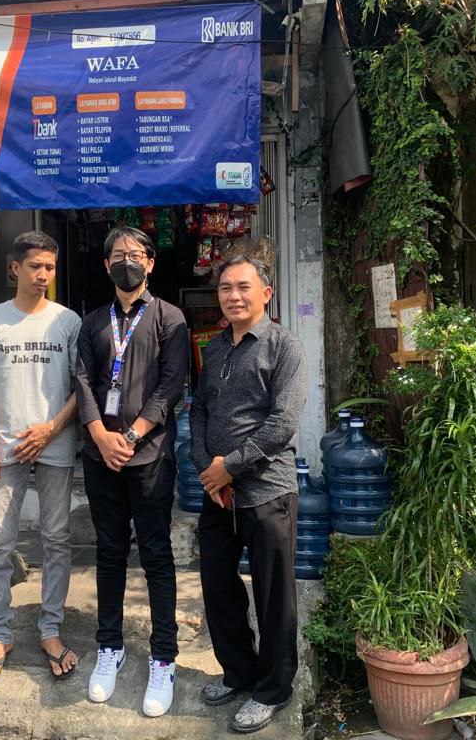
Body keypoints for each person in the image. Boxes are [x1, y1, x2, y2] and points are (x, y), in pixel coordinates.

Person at [190, 253, 308, 734]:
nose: (234, 296)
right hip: (218, 495)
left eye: (243, 287)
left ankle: (273, 689)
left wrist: (230, 467)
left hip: (268, 491)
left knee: (273, 595)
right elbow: (198, 410)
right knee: (218, 587)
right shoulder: (216, 348)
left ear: (266, 293)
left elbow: (283, 423)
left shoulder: (284, 347)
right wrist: (207, 468)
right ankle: (239, 672)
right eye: (225, 288)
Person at [0, 231, 83, 690]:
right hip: (4, 446)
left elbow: (82, 389)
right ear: (15, 268)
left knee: (57, 540)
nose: (43, 275)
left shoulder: (67, 322)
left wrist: (52, 428)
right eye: (35, 267)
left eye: (49, 267)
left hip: (55, 443)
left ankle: (50, 630)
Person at [75, 226, 189, 718]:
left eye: (136, 254)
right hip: (101, 456)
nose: (128, 261)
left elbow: (172, 384)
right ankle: (110, 646)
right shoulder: (92, 322)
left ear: (150, 263)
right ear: (106, 266)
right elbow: (82, 381)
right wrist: (101, 436)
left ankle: (163, 657)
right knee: (109, 551)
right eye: (119, 255)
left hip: (150, 456)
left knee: (157, 554)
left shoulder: (169, 318)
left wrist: (134, 434)